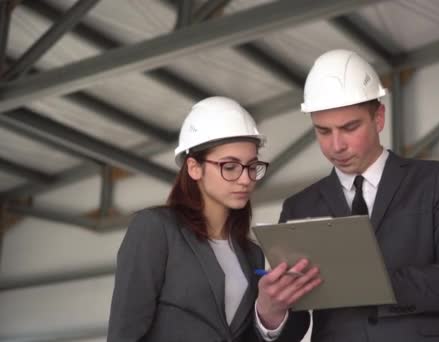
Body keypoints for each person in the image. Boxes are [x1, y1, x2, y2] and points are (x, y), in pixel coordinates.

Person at [257, 49, 439, 342]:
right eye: (323, 131)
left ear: (378, 118)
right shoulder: (298, 206)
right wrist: (270, 313)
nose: (336, 145)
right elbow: (296, 322)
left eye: (349, 127)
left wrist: (374, 282)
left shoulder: (436, 181)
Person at [108, 96, 313, 341]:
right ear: (194, 168)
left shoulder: (251, 254)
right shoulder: (155, 229)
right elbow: (124, 333)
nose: (246, 179)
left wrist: (269, 315)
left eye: (251, 166)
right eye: (230, 167)